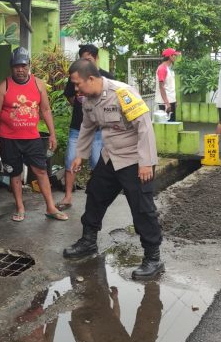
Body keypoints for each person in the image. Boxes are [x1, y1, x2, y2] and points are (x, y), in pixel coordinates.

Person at [63, 59, 163, 280]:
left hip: (134, 158)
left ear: (91, 78)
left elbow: (144, 126)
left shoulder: (122, 93)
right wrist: (81, 154)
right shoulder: (88, 100)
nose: (76, 89)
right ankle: (88, 241)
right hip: (110, 156)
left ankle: (152, 258)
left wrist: (146, 162)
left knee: (142, 208)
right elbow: (87, 127)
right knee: (95, 195)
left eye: (78, 84)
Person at [0, 47, 68, 222]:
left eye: (24, 66)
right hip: (8, 138)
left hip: (32, 137)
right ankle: (20, 207)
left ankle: (51, 207)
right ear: (12, 67)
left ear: (29, 66)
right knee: (15, 173)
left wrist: (52, 134)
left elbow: (46, 110)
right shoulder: (4, 87)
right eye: (17, 66)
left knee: (41, 170)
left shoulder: (38, 84)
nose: (20, 69)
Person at [56, 44, 113, 211]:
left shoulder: (107, 78)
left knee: (97, 162)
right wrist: (82, 109)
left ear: (96, 58)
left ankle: (96, 195)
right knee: (71, 160)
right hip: (77, 128)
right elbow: (70, 96)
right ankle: (67, 197)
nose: (85, 63)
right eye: (82, 59)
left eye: (88, 59)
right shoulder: (76, 78)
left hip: (98, 131)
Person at [156, 48, 180, 121]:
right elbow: (161, 87)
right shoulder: (162, 69)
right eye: (174, 55)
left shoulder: (169, 68)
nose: (175, 57)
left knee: (172, 124)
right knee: (167, 124)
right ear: (170, 56)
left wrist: (174, 100)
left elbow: (170, 86)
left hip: (170, 101)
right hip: (165, 103)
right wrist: (167, 103)